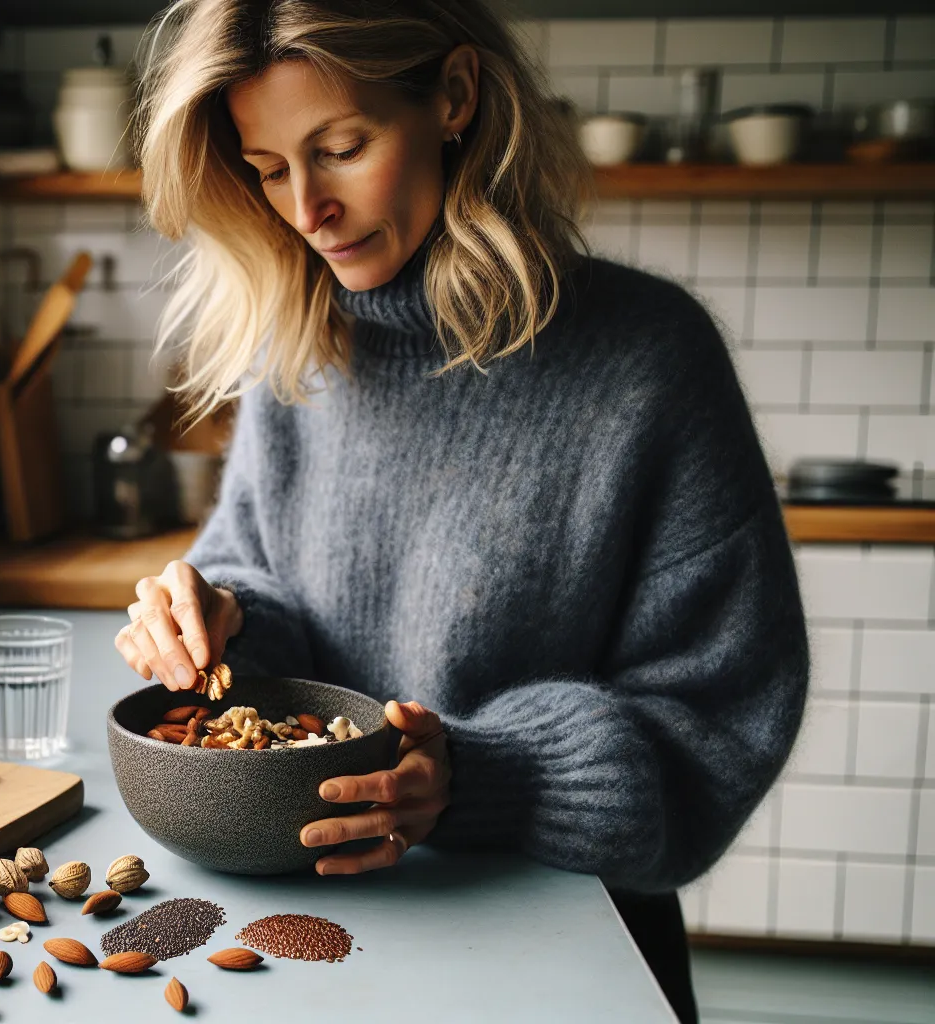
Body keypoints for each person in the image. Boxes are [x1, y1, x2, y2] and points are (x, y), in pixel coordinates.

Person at [113, 3, 808, 1020]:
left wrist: (483, 776)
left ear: (453, 98)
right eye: (266, 168)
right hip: (303, 946)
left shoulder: (650, 359)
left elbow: (719, 719)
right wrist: (220, 615)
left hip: (556, 945)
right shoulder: (292, 347)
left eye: (340, 148)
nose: (306, 209)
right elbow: (265, 583)